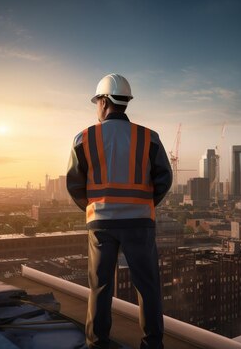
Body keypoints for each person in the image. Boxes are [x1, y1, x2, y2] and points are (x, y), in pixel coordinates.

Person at [66, 74, 173, 349]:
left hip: (101, 224)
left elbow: (74, 183)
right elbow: (164, 179)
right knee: (147, 287)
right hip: (139, 223)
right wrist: (144, 204)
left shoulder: (84, 138)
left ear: (103, 101)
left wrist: (93, 208)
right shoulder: (149, 137)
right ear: (125, 102)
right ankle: (152, 344)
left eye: (96, 102)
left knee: (100, 287)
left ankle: (97, 343)